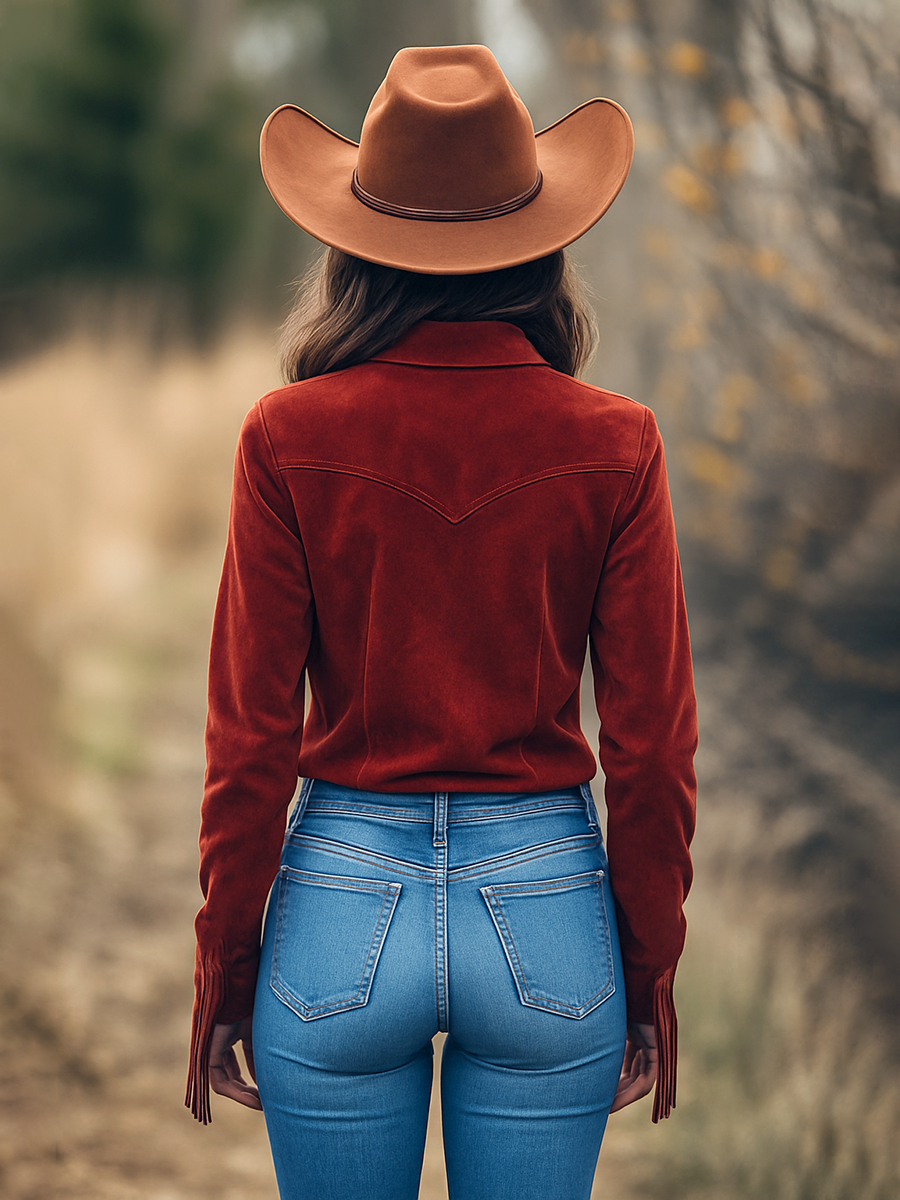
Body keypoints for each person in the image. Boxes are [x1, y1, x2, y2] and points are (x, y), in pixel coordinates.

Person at [186, 44, 697, 1200]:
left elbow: (249, 745)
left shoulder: (285, 435)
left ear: (352, 248)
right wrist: (647, 967)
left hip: (340, 907)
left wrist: (225, 968)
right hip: (547, 906)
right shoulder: (618, 443)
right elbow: (654, 746)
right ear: (543, 240)